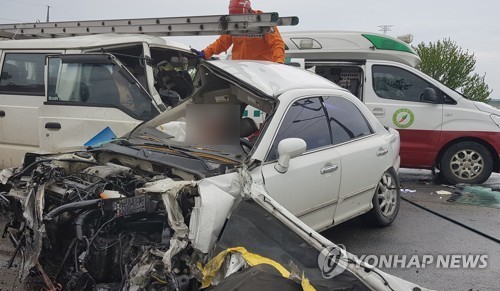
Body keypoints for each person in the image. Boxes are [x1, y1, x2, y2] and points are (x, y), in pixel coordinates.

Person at [191, 0, 285, 63]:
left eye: (240, 18)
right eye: (235, 18)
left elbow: (277, 44)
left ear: (248, 12)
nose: (238, 21)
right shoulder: (233, 24)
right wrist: (205, 53)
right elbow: (222, 43)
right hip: (241, 71)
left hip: (261, 71)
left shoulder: (263, 21)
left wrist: (279, 63)